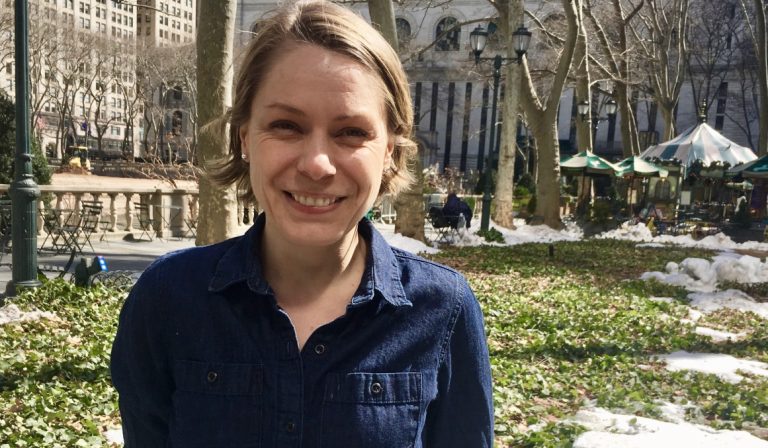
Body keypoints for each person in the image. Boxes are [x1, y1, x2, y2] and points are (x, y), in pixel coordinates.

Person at [110, 2, 494, 447]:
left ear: (389, 152)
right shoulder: (168, 298)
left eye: (351, 132)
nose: (317, 164)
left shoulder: (444, 309)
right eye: (287, 125)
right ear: (245, 139)